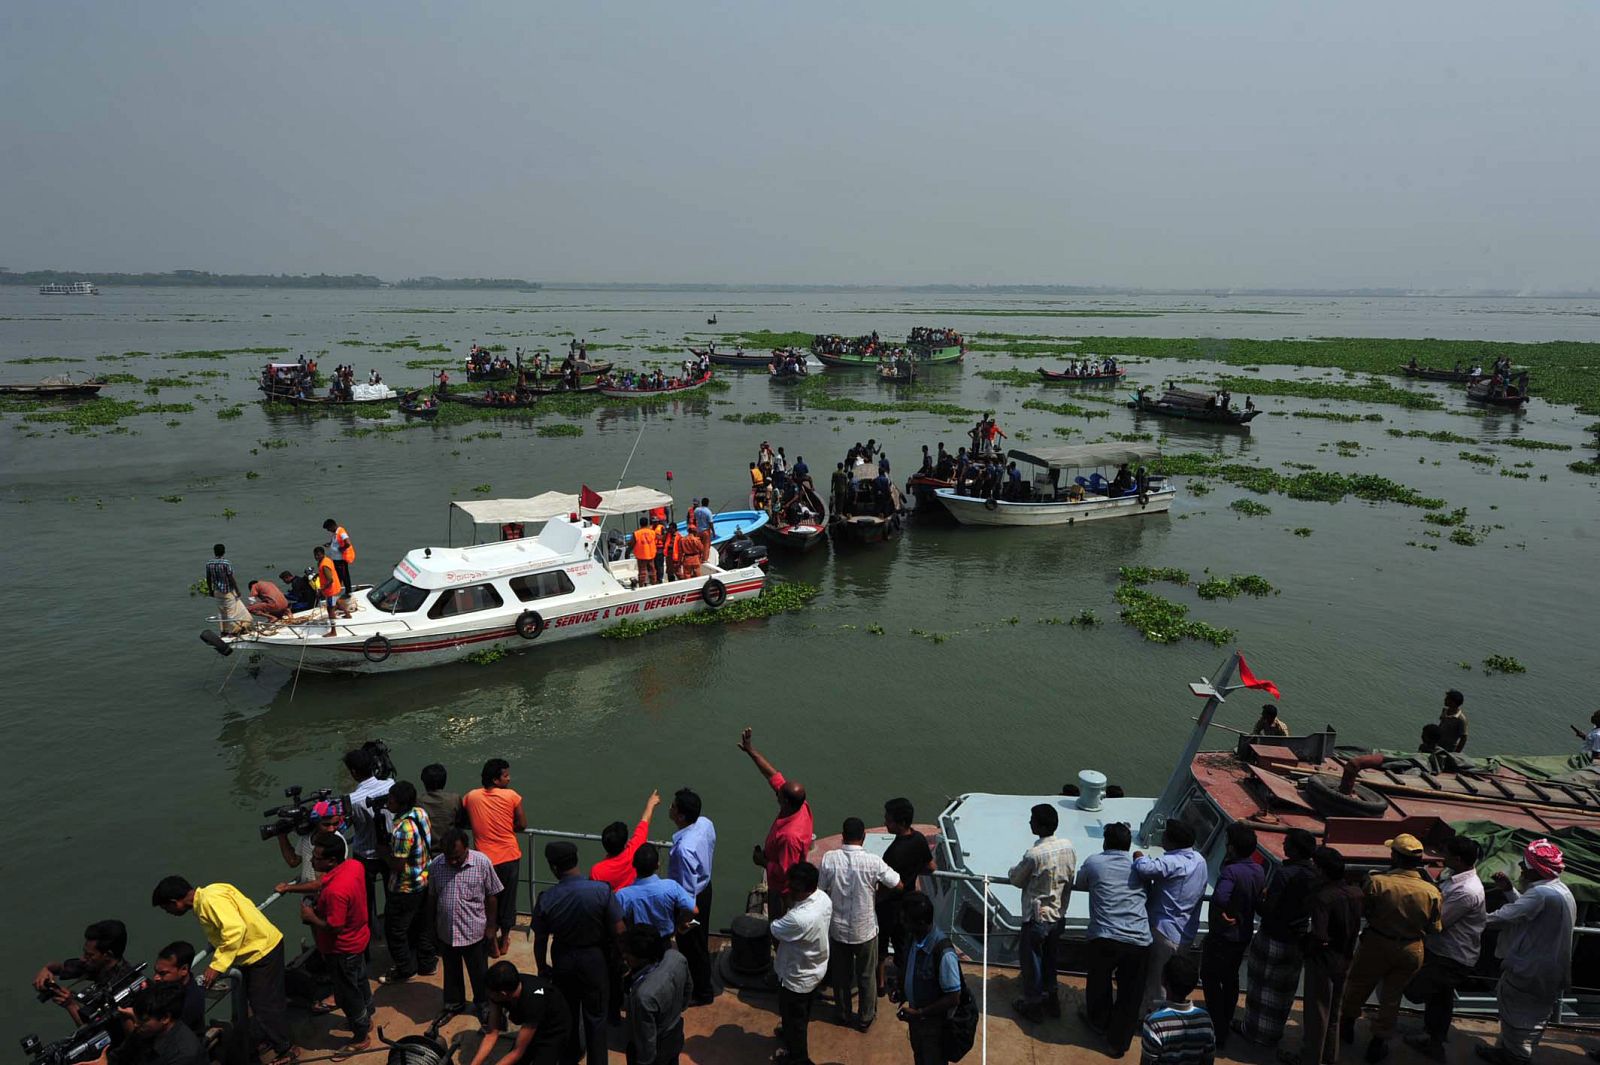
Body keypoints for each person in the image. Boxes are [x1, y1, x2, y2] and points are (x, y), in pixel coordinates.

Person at [150, 877, 294, 1065]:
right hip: (260, 946)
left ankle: (287, 1050)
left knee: (264, 1004)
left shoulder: (209, 902)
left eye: (166, 908)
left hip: (261, 952)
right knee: (260, 1001)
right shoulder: (214, 890)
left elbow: (235, 930)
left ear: (174, 902)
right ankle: (269, 1038)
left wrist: (216, 965)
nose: (168, 913)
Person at [1338, 833, 1443, 1063]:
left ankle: (1346, 1026)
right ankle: (1379, 1041)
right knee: (1392, 997)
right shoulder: (1431, 892)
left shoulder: (1378, 882)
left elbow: (1363, 910)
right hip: (1410, 949)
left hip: (1377, 942)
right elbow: (1435, 927)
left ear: (1395, 856)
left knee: (1358, 985)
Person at [1477, 839, 1577, 1065]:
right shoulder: (1557, 890)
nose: (1521, 870)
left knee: (1519, 1015)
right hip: (1548, 969)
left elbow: (1505, 916)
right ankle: (1509, 1052)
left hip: (1530, 969)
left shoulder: (1542, 894)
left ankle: (1516, 1057)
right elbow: (1527, 910)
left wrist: (1469, 920)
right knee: (1532, 1015)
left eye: (1524, 867)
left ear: (1535, 871)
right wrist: (1509, 890)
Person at [532, 841, 619, 1065]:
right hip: (594, 960)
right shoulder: (602, 890)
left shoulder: (546, 898)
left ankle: (569, 1057)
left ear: (553, 867)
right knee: (597, 1017)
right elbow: (619, 931)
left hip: (563, 961)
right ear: (576, 860)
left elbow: (540, 940)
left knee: (567, 1014)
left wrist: (542, 967)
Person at [1401, 835, 1486, 1060]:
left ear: (1457, 859)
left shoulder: (1467, 891)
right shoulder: (1455, 878)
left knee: (1415, 990)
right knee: (1440, 998)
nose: (1442, 857)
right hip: (1446, 952)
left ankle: (1435, 1041)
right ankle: (1434, 1038)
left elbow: (1439, 923)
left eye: (1446, 854)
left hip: (1451, 956)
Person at [1280, 846, 1363, 1065]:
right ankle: (1329, 1055)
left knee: (1316, 1014)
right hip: (1345, 958)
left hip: (1324, 961)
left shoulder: (1323, 898)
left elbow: (1320, 935)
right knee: (1334, 1012)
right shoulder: (1356, 892)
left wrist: (1306, 947)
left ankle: (1310, 1059)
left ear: (1321, 870)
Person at [1077, 821, 1153, 1058]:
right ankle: (1118, 1044)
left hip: (1105, 936)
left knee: (1099, 982)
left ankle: (1099, 1022)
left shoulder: (1094, 862)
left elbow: (1081, 883)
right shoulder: (1139, 866)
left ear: (1105, 842)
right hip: (1139, 939)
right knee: (1131, 994)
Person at [818, 817, 901, 1029]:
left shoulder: (829, 859)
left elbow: (821, 890)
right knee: (866, 975)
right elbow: (897, 884)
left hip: (837, 928)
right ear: (863, 837)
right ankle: (865, 1017)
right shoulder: (873, 862)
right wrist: (878, 894)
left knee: (841, 976)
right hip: (865, 929)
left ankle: (843, 1013)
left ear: (843, 836)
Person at [1240, 827, 1319, 1046]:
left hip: (1274, 936)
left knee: (1261, 987)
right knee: (1283, 991)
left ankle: (1255, 1033)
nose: (1283, 845)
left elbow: (1269, 909)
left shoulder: (1285, 874)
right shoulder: (1315, 874)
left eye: (1287, 843)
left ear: (1294, 849)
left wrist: (1257, 899)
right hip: (1297, 937)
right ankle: (1273, 1033)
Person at [296, 834, 372, 1059]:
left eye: (316, 858)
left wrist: (311, 916)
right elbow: (323, 882)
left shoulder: (335, 892)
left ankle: (360, 1037)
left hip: (342, 949)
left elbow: (333, 926)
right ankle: (367, 1017)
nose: (311, 862)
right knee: (359, 981)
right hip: (359, 939)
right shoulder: (353, 866)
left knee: (348, 994)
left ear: (331, 861)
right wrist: (290, 889)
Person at [1007, 803, 1077, 1022]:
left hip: (1036, 918)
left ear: (1039, 825)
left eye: (1032, 819)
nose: (1030, 822)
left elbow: (1017, 879)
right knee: (1050, 959)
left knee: (1032, 963)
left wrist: (1011, 871)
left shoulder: (1034, 855)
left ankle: (1034, 1006)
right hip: (1058, 915)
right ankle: (1052, 1000)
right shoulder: (1069, 847)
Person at [1133, 819, 1208, 1016]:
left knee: (1157, 981)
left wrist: (1138, 855)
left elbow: (1143, 869)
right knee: (1172, 982)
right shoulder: (1199, 860)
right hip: (1185, 933)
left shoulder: (1172, 862)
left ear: (1171, 841)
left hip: (1164, 932)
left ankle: (1148, 1019)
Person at [738, 727, 813, 920]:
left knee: (778, 925)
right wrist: (751, 751)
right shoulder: (800, 805)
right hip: (785, 863)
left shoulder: (790, 836)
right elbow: (774, 777)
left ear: (786, 801)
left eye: (778, 795)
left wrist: (762, 861)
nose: (776, 794)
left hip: (783, 889)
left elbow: (785, 872)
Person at [1201, 823, 1264, 1050]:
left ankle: (1217, 1027)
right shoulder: (1258, 870)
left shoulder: (1230, 871)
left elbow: (1220, 897)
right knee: (1230, 978)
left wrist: (1226, 913)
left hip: (1223, 935)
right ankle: (1225, 1020)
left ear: (1232, 848)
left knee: (1209, 977)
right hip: (1243, 935)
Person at [430, 828, 502, 1021]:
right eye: (448, 857)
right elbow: (433, 896)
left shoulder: (482, 862)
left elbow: (492, 896)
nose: (452, 861)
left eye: (456, 857)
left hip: (474, 931)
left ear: (466, 849)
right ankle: (453, 1004)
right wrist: (432, 927)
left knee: (479, 972)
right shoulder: (437, 864)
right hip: (447, 931)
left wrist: (491, 928)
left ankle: (483, 1005)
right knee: (451, 971)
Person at [463, 758, 527, 957]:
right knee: (508, 899)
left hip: (483, 860)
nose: (509, 778)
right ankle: (504, 938)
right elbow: (522, 824)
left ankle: (490, 940)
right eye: (506, 775)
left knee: (487, 901)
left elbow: (464, 817)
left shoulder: (471, 796)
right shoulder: (511, 796)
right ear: (496, 779)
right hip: (509, 856)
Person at [770, 861, 831, 1065]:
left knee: (795, 1019)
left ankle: (798, 1058)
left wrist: (783, 903)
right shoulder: (823, 898)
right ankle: (789, 1033)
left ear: (806, 889)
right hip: (815, 967)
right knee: (800, 1014)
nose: (791, 891)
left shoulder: (798, 918)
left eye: (794, 889)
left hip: (797, 977)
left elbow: (776, 928)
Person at [32, 920, 138, 1027]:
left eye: (89, 955)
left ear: (108, 955)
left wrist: (71, 1005)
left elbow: (95, 1031)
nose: (83, 959)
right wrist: (47, 969)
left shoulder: (124, 986)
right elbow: (61, 968)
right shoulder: (98, 964)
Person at [898, 890, 962, 1065]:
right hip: (917, 1021)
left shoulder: (943, 953)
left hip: (935, 1027)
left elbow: (953, 997)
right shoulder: (914, 938)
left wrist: (920, 1013)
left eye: (906, 921)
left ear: (920, 923)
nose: (902, 924)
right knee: (920, 1057)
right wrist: (903, 991)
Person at [878, 799, 934, 997]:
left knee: (881, 947)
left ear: (900, 822)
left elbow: (886, 885)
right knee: (903, 947)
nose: (885, 822)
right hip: (908, 905)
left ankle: (881, 984)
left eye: (888, 819)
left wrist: (875, 900)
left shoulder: (892, 853)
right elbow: (931, 867)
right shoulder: (919, 839)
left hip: (888, 906)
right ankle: (903, 984)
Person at [381, 782, 436, 985]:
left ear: (398, 801)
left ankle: (405, 969)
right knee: (422, 925)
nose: (388, 802)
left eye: (390, 799)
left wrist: (383, 852)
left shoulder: (402, 829)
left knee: (395, 931)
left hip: (405, 887)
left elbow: (397, 865)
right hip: (424, 879)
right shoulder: (421, 813)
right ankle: (427, 963)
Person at [666, 788, 716, 1007]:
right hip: (705, 888)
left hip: (691, 899)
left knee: (692, 946)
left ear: (681, 816)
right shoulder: (705, 823)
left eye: (674, 806)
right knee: (700, 940)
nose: (670, 807)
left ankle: (703, 992)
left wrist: (684, 919)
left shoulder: (683, 850)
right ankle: (701, 984)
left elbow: (687, 890)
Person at [470, 961, 571, 1065]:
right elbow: (491, 1034)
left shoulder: (533, 1001)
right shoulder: (501, 987)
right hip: (532, 1023)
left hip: (554, 1029)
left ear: (503, 994)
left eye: (490, 993)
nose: (488, 995)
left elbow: (517, 1052)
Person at [343, 746, 393, 943]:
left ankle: (373, 934)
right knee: (392, 893)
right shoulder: (390, 784)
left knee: (366, 900)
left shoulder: (353, 800)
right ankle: (391, 928)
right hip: (389, 850)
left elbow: (347, 824)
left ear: (354, 772)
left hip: (365, 853)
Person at [620, 926, 691, 1065]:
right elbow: (688, 989)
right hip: (675, 1034)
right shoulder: (676, 958)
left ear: (642, 958)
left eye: (629, 953)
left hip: (657, 1048)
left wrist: (643, 1061)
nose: (624, 956)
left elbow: (646, 1039)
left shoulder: (644, 996)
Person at [1140, 953, 1216, 1065]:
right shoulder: (1205, 1018)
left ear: (1163, 981)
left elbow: (1147, 1061)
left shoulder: (1154, 1022)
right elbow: (1208, 1059)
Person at [615, 845, 698, 941]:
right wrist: (680, 924)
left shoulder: (622, 895)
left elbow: (616, 924)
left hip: (637, 946)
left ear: (634, 865)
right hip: (663, 942)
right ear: (657, 865)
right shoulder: (671, 887)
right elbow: (694, 910)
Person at [592, 789, 662, 891]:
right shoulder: (634, 850)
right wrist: (650, 804)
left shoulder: (597, 871)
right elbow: (644, 821)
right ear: (625, 842)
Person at [120, 985, 208, 1065]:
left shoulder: (183, 1055)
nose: (136, 1024)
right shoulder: (148, 1030)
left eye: (143, 1020)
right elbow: (120, 1055)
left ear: (165, 1018)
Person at [151, 942, 207, 1035]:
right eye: (156, 972)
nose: (155, 978)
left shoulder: (191, 1001)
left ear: (184, 970)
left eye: (163, 973)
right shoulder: (167, 987)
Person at [205, 544, 250, 635]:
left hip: (217, 591)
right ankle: (235, 631)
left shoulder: (209, 563)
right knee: (231, 612)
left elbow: (208, 578)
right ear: (224, 552)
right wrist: (237, 590)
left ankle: (224, 631)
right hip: (227, 591)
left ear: (214, 552)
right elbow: (230, 577)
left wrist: (210, 590)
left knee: (222, 612)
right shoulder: (226, 563)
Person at [419, 763, 468, 842]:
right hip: (450, 848)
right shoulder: (454, 799)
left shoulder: (417, 802)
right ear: (444, 781)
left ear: (424, 782)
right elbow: (460, 822)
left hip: (427, 849)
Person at [312, 546, 344, 636]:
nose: (316, 557)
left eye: (318, 555)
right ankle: (347, 613)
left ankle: (333, 631)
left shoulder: (324, 565)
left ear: (323, 554)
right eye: (315, 555)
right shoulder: (327, 560)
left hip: (331, 590)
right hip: (336, 587)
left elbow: (330, 580)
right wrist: (318, 575)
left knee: (330, 609)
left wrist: (321, 590)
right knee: (336, 602)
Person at [321, 518, 356, 601]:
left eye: (328, 528)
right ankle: (337, 591)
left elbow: (348, 543)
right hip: (336, 559)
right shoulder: (335, 533)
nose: (328, 530)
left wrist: (342, 549)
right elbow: (335, 541)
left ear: (332, 526)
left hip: (341, 560)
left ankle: (348, 592)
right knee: (338, 575)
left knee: (344, 576)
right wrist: (329, 544)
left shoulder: (341, 532)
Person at [632, 517, 658, 588]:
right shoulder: (652, 532)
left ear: (640, 524)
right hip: (651, 554)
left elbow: (632, 544)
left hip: (641, 555)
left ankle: (641, 586)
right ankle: (654, 584)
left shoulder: (636, 533)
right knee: (652, 571)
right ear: (647, 523)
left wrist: (627, 552)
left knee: (642, 572)